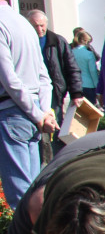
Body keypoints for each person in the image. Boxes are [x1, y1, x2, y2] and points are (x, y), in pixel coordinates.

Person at [0, 0, 55, 206]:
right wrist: (43, 111)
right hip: (29, 112)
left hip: (14, 113)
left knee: (22, 198)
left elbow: (10, 80)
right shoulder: (23, 23)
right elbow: (43, 77)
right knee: (34, 192)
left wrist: (39, 113)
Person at [29, 10, 83, 162]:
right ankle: (42, 164)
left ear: (46, 24)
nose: (39, 29)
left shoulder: (57, 41)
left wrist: (76, 93)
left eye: (41, 25)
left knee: (54, 132)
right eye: (35, 26)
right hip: (33, 95)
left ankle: (57, 164)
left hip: (54, 95)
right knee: (38, 135)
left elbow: (71, 68)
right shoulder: (27, 40)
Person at [72, 28, 100, 103]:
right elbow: (93, 72)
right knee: (90, 111)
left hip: (75, 85)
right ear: (86, 41)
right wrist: (98, 88)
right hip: (89, 85)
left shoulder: (71, 52)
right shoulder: (89, 54)